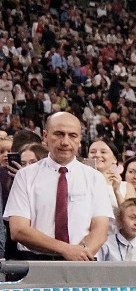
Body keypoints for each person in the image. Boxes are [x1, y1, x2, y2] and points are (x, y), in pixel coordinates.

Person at [4, 112, 113, 261]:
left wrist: (80, 255)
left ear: (80, 140)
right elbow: (18, 230)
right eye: (59, 134)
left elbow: (100, 230)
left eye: (72, 135)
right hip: (36, 264)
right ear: (45, 136)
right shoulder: (25, 176)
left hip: (83, 262)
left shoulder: (95, 178)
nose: (65, 142)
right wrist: (66, 250)